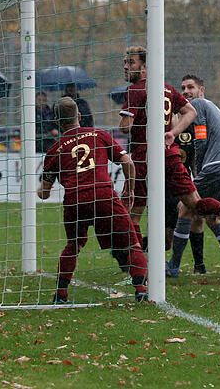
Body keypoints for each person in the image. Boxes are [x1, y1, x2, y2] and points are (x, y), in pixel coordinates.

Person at [119, 46, 220, 249]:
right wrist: (172, 133)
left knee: (135, 215)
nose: (125, 67)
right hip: (171, 154)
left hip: (145, 156)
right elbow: (189, 112)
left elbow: (125, 128)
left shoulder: (135, 90)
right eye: (124, 63)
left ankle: (138, 271)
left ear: (145, 66)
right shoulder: (168, 89)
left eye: (131, 63)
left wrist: (127, 119)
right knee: (194, 203)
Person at [39, 97, 148, 303]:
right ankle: (141, 289)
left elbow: (44, 193)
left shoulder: (54, 150)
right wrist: (130, 190)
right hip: (103, 195)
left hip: (75, 201)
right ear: (79, 116)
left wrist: (39, 190)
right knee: (132, 242)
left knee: (73, 245)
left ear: (56, 120)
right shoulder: (99, 135)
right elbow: (128, 162)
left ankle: (61, 294)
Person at [166, 75, 220, 278]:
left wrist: (200, 171)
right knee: (211, 217)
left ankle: (173, 267)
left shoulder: (200, 105)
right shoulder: (214, 110)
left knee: (184, 208)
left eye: (190, 87)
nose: (185, 91)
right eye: (183, 88)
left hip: (217, 167)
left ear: (201, 90)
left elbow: (201, 140)